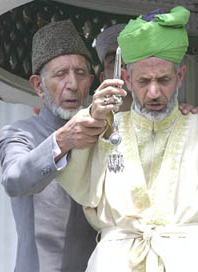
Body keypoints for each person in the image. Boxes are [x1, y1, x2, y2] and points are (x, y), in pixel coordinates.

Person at [56, 6, 198, 271]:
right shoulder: (102, 131)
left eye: (164, 80)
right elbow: (64, 169)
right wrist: (92, 118)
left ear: (180, 77)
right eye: (144, 81)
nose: (154, 92)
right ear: (126, 80)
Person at [0, 20, 107, 272]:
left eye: (80, 74)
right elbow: (14, 179)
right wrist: (62, 140)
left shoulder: (104, 133)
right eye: (60, 74)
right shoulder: (19, 133)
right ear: (38, 85)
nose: (72, 84)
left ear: (90, 80)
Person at [95, 23, 198, 114]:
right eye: (114, 61)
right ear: (103, 78)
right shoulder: (93, 121)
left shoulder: (186, 119)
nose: (123, 64)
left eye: (131, 57)